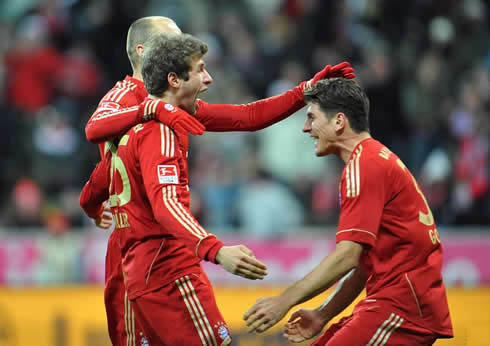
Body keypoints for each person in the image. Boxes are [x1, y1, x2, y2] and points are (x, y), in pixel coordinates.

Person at [81, 16, 356, 345]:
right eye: (173, 42)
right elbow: (94, 129)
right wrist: (216, 250)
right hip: (153, 251)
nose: (206, 75)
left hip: (146, 251)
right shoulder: (133, 100)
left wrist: (304, 91)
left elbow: (247, 116)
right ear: (145, 53)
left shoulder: (173, 106)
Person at [81, 32, 272, 345]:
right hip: (163, 260)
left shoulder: (133, 129)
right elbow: (166, 205)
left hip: (137, 262)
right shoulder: (148, 118)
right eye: (199, 68)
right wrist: (217, 250)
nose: (207, 77)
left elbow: (95, 183)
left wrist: (92, 208)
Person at [243, 78, 453, 345]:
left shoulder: (364, 166)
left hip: (401, 307)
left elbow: (347, 256)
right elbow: (365, 264)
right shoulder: (375, 159)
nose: (306, 128)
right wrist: (323, 314)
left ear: (339, 122)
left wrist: (284, 300)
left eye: (311, 118)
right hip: (399, 303)